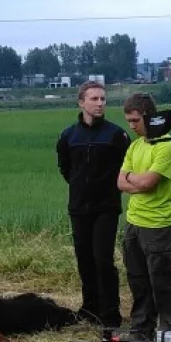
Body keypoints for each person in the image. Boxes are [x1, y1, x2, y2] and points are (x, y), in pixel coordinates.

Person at [56, 81, 130, 327]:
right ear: (81, 102)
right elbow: (66, 169)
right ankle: (90, 310)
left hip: (106, 207)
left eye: (103, 99)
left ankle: (110, 314)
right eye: (94, 99)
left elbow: (126, 168)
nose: (100, 104)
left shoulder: (116, 135)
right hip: (78, 207)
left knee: (103, 260)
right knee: (84, 259)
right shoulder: (68, 135)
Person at [117, 93, 171, 338]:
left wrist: (133, 179)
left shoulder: (167, 145)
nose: (132, 126)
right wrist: (137, 181)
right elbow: (120, 182)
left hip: (158, 225)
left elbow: (148, 182)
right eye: (128, 121)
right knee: (138, 280)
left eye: (135, 121)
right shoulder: (135, 145)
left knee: (162, 281)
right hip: (133, 223)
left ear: (149, 117)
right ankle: (141, 329)